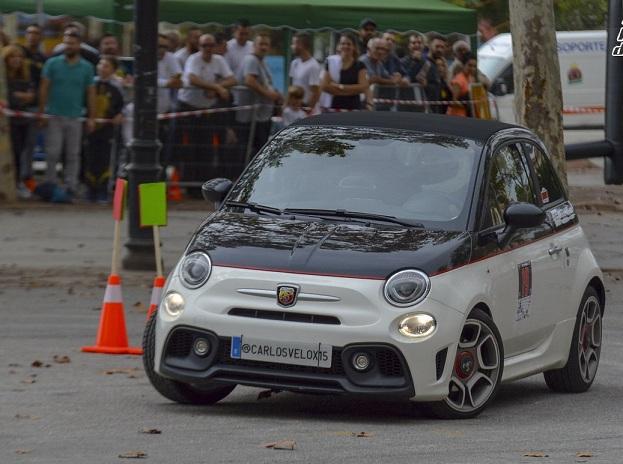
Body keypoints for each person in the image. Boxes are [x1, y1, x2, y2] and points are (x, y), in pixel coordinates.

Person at [39, 30, 96, 197]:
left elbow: (90, 93)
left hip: (76, 115)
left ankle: (71, 185)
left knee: (73, 153)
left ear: (79, 45)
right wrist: (42, 112)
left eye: (72, 43)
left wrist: (92, 117)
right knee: (52, 152)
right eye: (66, 43)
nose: (68, 46)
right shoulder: (52, 63)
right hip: (54, 114)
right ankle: (51, 183)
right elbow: (44, 87)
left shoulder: (87, 67)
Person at [84, 55, 124, 203]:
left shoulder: (116, 87)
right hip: (91, 128)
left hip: (107, 129)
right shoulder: (91, 84)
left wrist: (120, 114)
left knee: (106, 159)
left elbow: (121, 106)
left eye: (106, 65)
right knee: (90, 157)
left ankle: (103, 189)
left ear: (113, 69)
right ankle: (90, 189)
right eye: (101, 64)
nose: (102, 68)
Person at [2, 45, 39, 197]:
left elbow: (32, 97)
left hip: (23, 121)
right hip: (7, 123)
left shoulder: (26, 75)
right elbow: (9, 98)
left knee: (21, 153)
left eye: (19, 56)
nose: (16, 59)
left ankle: (19, 183)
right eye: (12, 56)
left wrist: (21, 96)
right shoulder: (4, 78)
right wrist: (21, 96)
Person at [237, 33, 282, 152]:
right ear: (254, 46)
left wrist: (276, 94)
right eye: (261, 44)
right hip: (251, 119)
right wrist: (269, 95)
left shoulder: (263, 62)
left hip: (262, 117)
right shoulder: (251, 59)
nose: (263, 47)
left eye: (266, 44)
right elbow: (249, 81)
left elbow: (267, 83)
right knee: (251, 153)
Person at [179, 34, 236, 111]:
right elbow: (192, 79)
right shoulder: (193, 59)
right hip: (187, 105)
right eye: (204, 45)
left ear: (215, 46)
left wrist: (215, 88)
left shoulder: (219, 60)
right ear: (199, 46)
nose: (208, 48)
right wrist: (217, 88)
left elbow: (232, 80)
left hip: (207, 107)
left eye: (211, 45)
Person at [320, 33, 369, 111]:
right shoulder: (330, 62)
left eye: (349, 44)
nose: (345, 46)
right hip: (333, 106)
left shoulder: (360, 65)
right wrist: (352, 90)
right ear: (339, 46)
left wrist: (339, 87)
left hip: (353, 108)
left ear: (354, 47)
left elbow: (363, 87)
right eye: (343, 44)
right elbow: (324, 86)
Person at [289, 32, 321, 113]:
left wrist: (306, 111)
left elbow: (315, 93)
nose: (291, 46)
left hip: (306, 111)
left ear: (301, 45)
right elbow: (292, 87)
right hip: (295, 110)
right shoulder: (294, 63)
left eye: (294, 43)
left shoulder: (313, 65)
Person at [157, 33, 183, 114]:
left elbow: (179, 76)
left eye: (165, 47)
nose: (162, 50)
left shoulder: (170, 57)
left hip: (165, 108)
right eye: (159, 46)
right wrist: (167, 83)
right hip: (146, 108)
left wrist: (178, 80)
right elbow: (146, 79)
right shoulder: (144, 57)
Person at [448, 52, 477, 117]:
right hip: (457, 116)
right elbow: (453, 101)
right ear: (463, 65)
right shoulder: (458, 80)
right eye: (469, 65)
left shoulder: (471, 78)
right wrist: (466, 106)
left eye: (474, 66)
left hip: (468, 115)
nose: (472, 68)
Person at [424, 34, 447, 113]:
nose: (439, 50)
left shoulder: (440, 62)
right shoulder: (424, 62)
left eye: (442, 47)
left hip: (437, 108)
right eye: (437, 46)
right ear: (430, 45)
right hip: (426, 109)